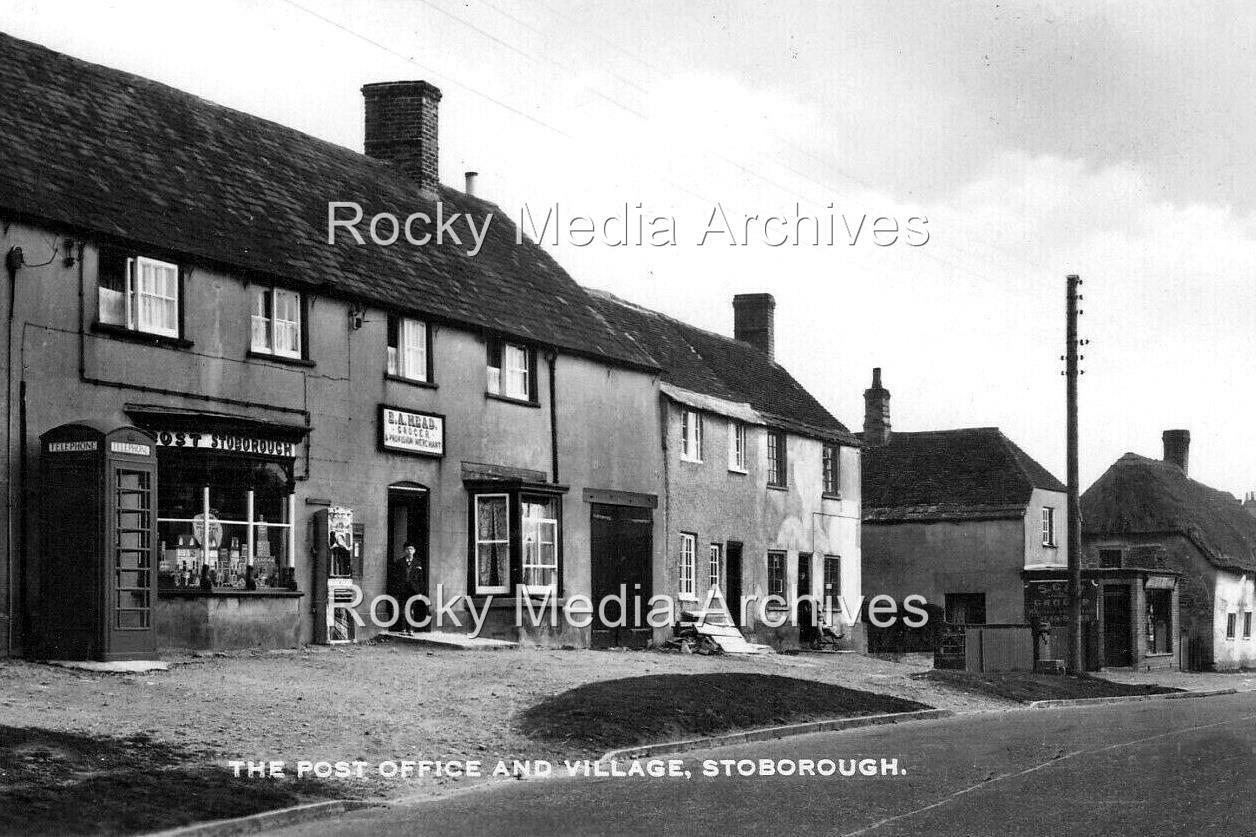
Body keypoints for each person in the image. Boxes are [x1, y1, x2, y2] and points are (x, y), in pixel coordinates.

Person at [389, 542, 427, 633]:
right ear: (404, 551)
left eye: (411, 549)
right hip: (402, 589)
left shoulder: (417, 563)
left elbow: (420, 578)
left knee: (411, 609)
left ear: (414, 551)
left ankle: (411, 629)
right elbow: (395, 576)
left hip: (413, 590)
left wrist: (420, 591)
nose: (409, 551)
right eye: (407, 549)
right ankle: (403, 629)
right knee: (402, 608)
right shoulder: (399, 562)